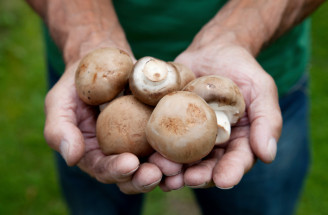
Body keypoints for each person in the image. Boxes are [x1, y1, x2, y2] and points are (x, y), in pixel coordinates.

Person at [26, 0, 325, 214]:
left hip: (254, 71)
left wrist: (238, 35)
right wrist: (85, 36)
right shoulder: (100, 91)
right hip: (86, 81)